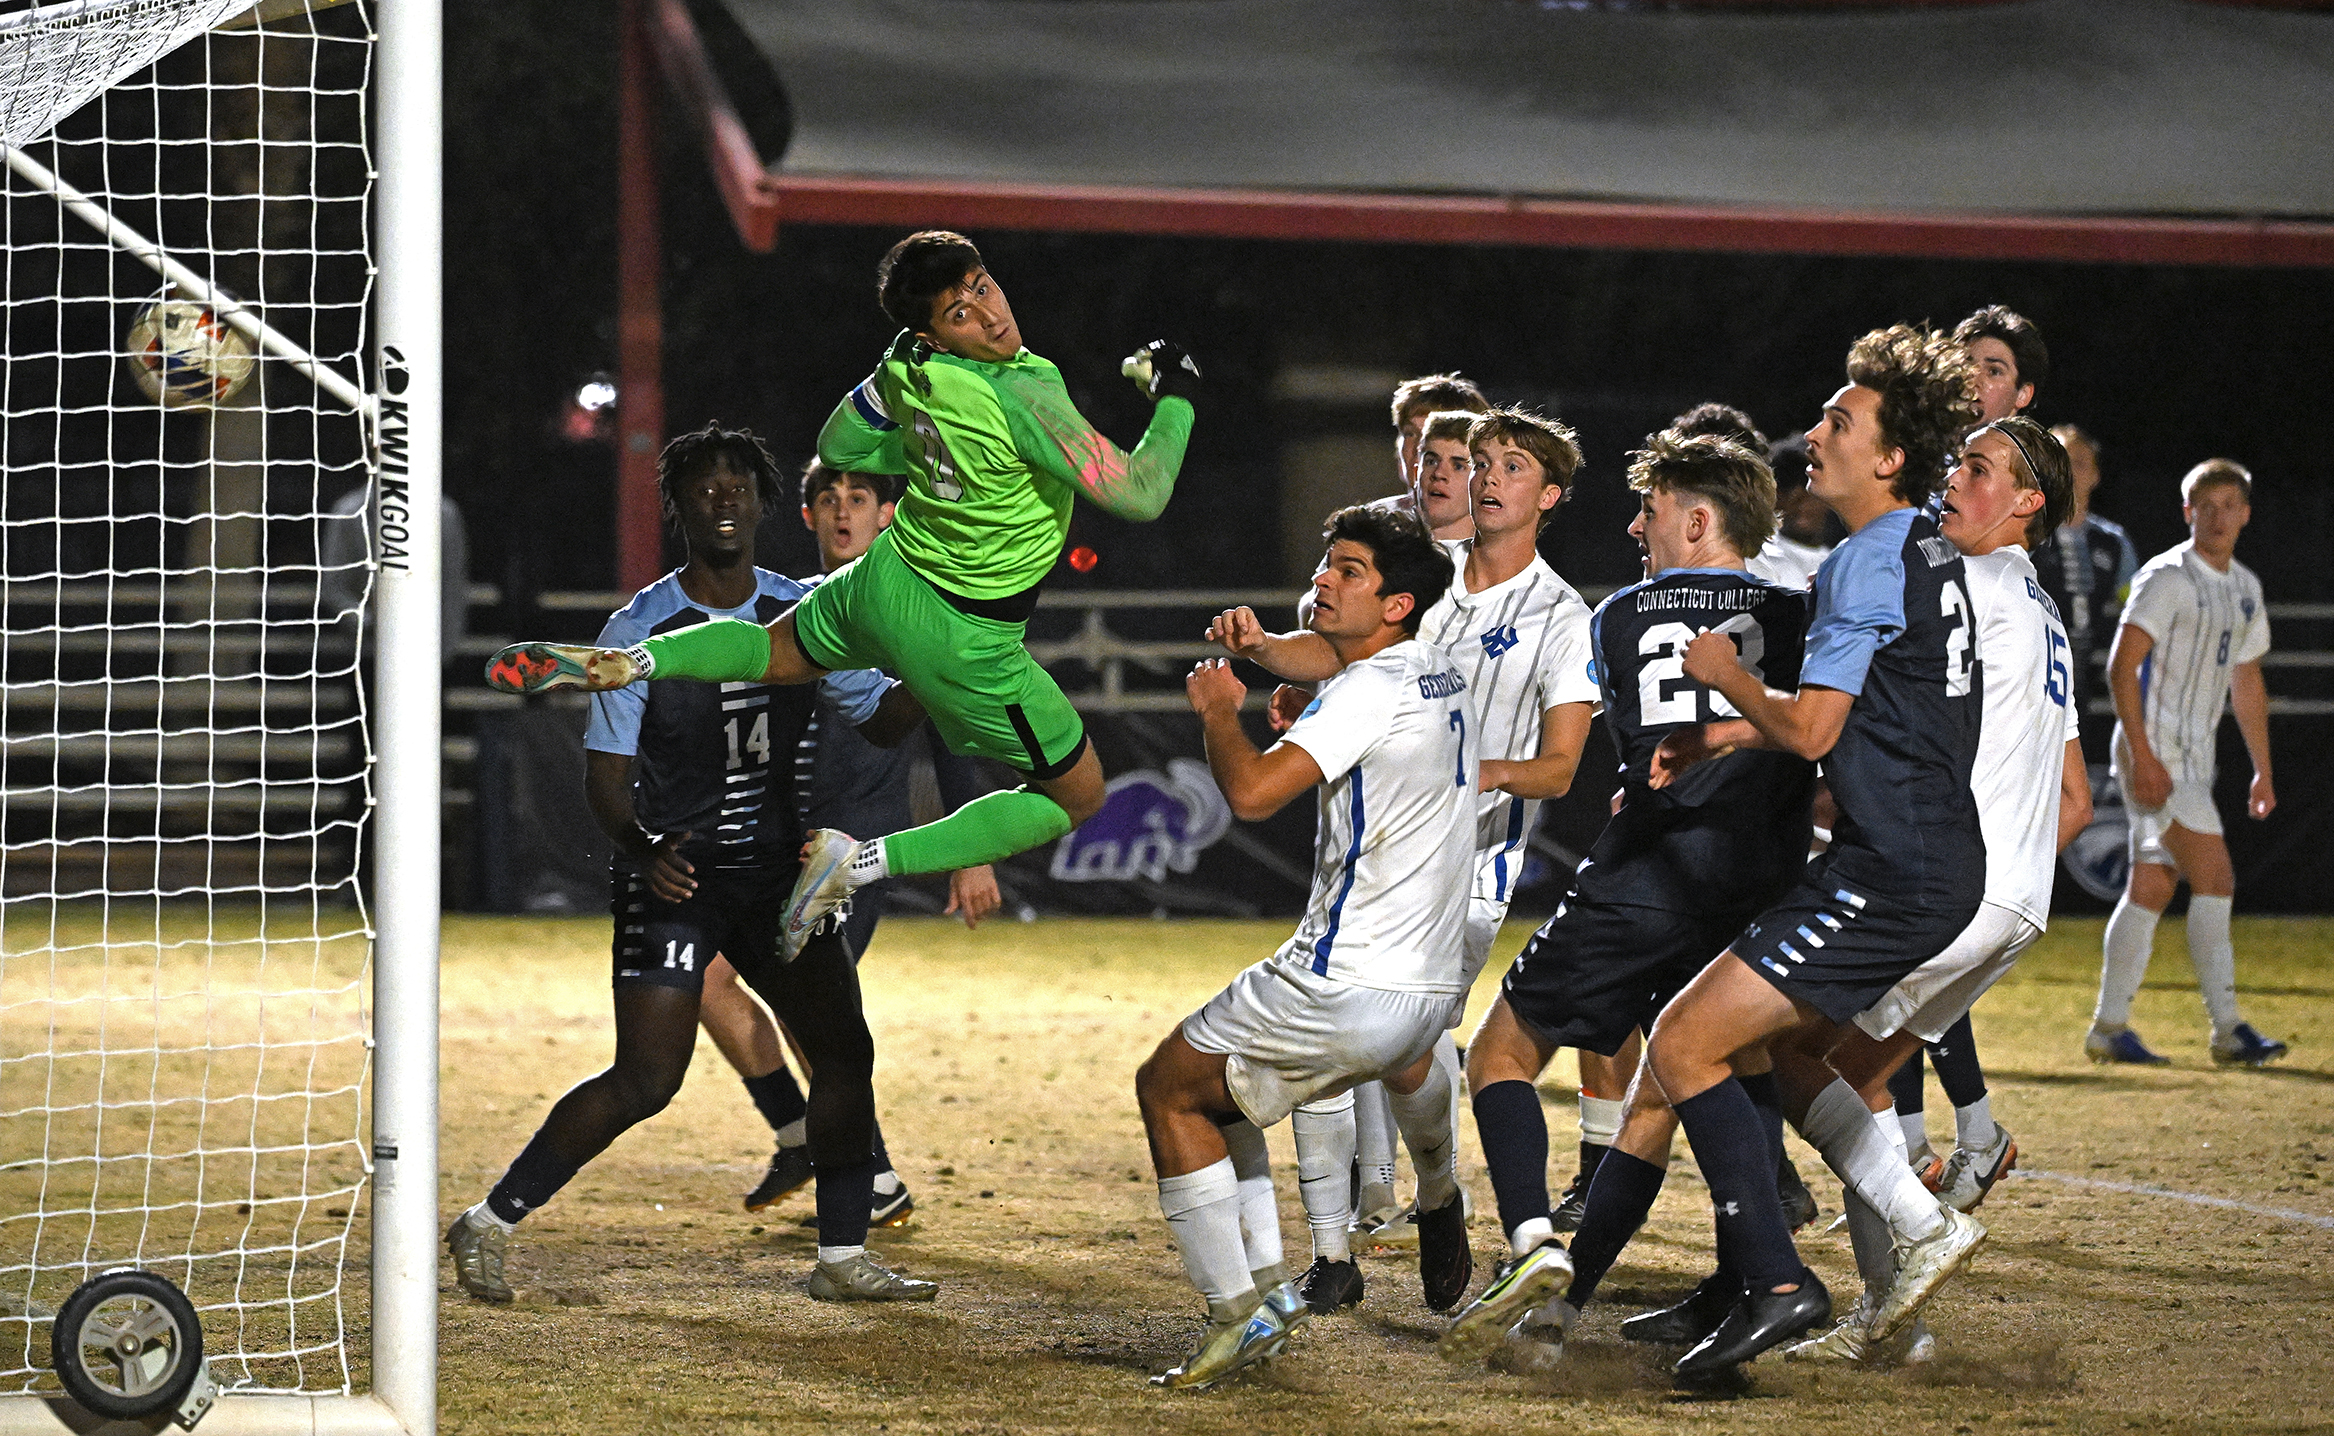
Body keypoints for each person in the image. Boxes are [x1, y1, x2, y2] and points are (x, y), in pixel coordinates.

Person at [481, 230, 1198, 957]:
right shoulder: (1026, 394)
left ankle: (637, 662)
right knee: (1076, 797)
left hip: (884, 583)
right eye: (959, 312)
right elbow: (1140, 494)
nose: (986, 315)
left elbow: (840, 447)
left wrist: (923, 450)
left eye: (982, 287)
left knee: (772, 651)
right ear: (932, 330)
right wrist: (1178, 396)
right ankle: (859, 861)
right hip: (966, 633)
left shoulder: (907, 362)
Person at [445, 425, 939, 1307]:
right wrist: (641, 851)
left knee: (843, 1055)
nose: (721, 501)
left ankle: (841, 1258)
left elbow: (881, 720)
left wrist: (942, 664)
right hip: (677, 874)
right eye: (703, 489)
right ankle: (487, 1222)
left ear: (759, 505)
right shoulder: (638, 626)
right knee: (646, 1080)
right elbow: (606, 776)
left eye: (736, 488)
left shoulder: (806, 608)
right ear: (678, 508)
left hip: (779, 879)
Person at [1626, 323, 1984, 1379]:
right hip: (1918, 857)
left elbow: (1818, 732)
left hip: (1891, 868)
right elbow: (1864, 714)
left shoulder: (1869, 557)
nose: (1816, 434)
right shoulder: (1921, 539)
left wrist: (1724, 679)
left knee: (1686, 1040)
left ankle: (1784, 1280)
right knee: (1785, 1056)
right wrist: (1720, 734)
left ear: (1889, 456)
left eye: (1841, 420)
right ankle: (1891, 1262)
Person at [1440, 430, 1813, 1365]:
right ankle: (1632, 1299)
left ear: (1697, 519)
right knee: (1683, 1078)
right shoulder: (1805, 612)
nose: (1636, 526)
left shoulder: (1620, 614)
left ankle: (1531, 1244)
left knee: (1500, 1054)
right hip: (1766, 877)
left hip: (1650, 873)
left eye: (1650, 512)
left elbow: (1642, 749)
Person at [1208, 407, 1597, 1304]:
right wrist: (1272, 656)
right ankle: (1334, 1256)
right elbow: (1345, 652)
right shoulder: (1430, 575)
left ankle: (1437, 1193)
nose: (1486, 478)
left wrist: (1455, 772)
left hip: (1466, 871)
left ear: (1549, 497)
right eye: (1481, 462)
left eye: (1508, 466)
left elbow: (1561, 767)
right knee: (1320, 1028)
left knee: (1408, 1053)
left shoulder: (1561, 616)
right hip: (1366, 844)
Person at [1138, 506, 1473, 1389]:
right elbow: (1327, 659)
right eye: (1326, 564)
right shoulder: (1430, 664)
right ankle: (1285, 1284)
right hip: (1428, 998)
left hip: (1344, 984)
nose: (1323, 580)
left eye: (1348, 571)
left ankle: (1235, 1314)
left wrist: (1222, 709)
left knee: (1169, 1089)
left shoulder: (1363, 690)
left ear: (1396, 602)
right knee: (1228, 1098)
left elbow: (1250, 794)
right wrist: (1268, 654)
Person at [1779, 415, 2088, 1362]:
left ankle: (1915, 1239)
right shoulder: (2039, 607)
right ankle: (1884, 1322)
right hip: (2017, 899)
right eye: (1957, 459)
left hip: (1954, 885)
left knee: (1782, 1051)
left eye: (1981, 468)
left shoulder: (1962, 582)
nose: (1957, 478)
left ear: (2029, 503)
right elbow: (2075, 796)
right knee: (1861, 1074)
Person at [708, 458, 1001, 1225]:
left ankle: (870, 1176)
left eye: (858, 499)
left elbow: (953, 733)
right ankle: (803, 1133)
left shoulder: (905, 609)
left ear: (888, 515)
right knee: (701, 982)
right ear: (807, 516)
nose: (843, 512)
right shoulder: (791, 608)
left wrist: (970, 850)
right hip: (773, 845)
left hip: (850, 853)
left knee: (812, 1009)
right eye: (828, 499)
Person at [1884, 304, 2050, 1189]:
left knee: (1822, 1040)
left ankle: (1905, 1199)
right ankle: (1946, 1147)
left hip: (1967, 864)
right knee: (1881, 1016)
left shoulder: (1975, 568)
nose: (1972, 381)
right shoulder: (2008, 575)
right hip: (2003, 878)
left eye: (1991, 369)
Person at [2087, 459, 2284, 1067]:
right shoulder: (2166, 577)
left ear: (2247, 514)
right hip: (2157, 755)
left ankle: (2108, 1029)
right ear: (2187, 511)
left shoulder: (2245, 586)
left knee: (2151, 886)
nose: (2219, 515)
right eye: (2208, 504)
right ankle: (2228, 1029)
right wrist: (2141, 754)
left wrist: (2263, 769)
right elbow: (2122, 665)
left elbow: (2246, 681)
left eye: (2231, 505)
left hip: (2196, 760)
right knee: (2216, 878)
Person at [2037, 423, 2139, 728]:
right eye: (2061, 462)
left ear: (2095, 476)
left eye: (2080, 463)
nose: (2070, 471)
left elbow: (2135, 605)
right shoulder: (2025, 531)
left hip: (2081, 671)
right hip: (2028, 669)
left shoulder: (2112, 541)